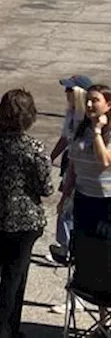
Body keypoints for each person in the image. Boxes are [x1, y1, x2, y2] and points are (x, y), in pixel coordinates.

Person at [0, 89, 52, 337]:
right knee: (14, 275)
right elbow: (46, 187)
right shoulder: (33, 148)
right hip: (24, 220)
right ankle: (5, 327)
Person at [49, 75, 93, 265]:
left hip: (81, 166)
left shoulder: (87, 117)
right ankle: (67, 246)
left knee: (67, 206)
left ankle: (66, 248)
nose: (66, 93)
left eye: (69, 90)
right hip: (70, 162)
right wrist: (50, 157)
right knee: (67, 204)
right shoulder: (71, 113)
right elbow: (65, 138)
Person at [63, 83, 112, 245]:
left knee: (102, 249)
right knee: (83, 248)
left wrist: (98, 131)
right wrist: (65, 195)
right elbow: (72, 165)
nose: (89, 105)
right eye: (87, 100)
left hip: (105, 200)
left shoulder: (109, 133)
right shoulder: (82, 129)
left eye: (95, 100)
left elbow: (104, 161)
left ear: (108, 105)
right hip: (83, 196)